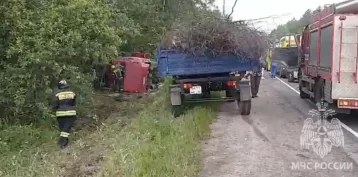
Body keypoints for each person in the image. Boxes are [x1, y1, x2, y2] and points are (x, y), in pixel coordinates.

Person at [51, 80, 77, 149]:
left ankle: (62, 143)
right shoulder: (72, 93)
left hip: (60, 114)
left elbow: (54, 105)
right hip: (71, 114)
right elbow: (74, 103)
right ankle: (63, 143)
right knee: (66, 130)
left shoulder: (57, 94)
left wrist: (53, 110)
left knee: (63, 130)